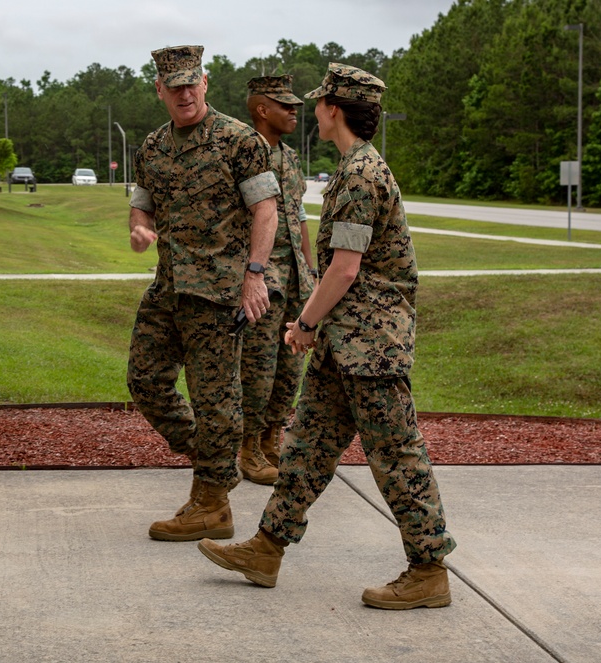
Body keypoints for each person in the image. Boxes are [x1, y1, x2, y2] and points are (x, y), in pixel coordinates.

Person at [198, 63, 457, 609]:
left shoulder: (362, 175)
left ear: (333, 110)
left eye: (317, 102)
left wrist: (305, 323)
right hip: (348, 345)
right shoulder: (352, 168)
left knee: (397, 457)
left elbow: (343, 269)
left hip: (372, 345)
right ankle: (266, 548)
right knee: (309, 448)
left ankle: (429, 569)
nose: (310, 109)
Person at [126, 45, 280, 542]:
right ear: (160, 90)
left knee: (217, 399)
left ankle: (211, 503)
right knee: (145, 380)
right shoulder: (151, 148)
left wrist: (254, 275)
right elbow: (142, 207)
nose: (185, 93)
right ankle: (214, 457)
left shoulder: (240, 140)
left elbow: (266, 211)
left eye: (192, 84)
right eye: (175, 87)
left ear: (206, 83)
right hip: (169, 287)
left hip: (219, 295)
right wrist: (140, 230)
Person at [237, 75, 316, 485]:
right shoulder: (240, 151)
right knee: (258, 370)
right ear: (261, 109)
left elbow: (299, 215)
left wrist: (310, 266)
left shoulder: (288, 156)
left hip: (296, 280)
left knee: (289, 370)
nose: (294, 112)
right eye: (285, 105)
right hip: (263, 282)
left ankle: (270, 441)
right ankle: (248, 449)